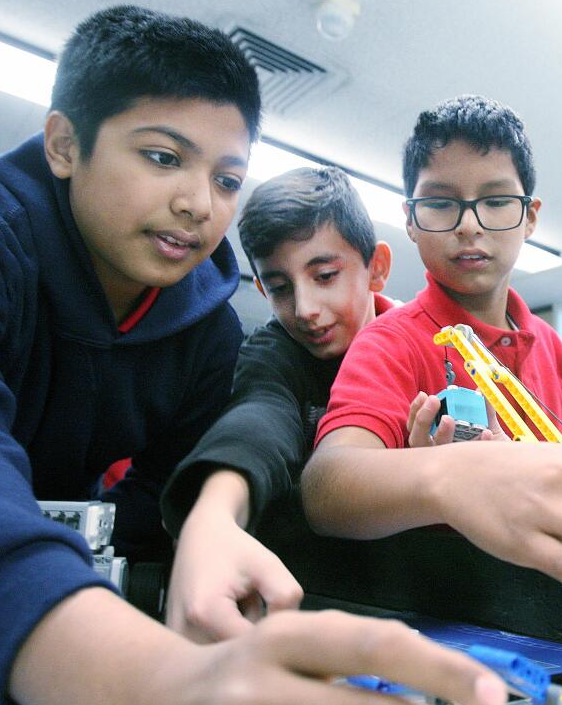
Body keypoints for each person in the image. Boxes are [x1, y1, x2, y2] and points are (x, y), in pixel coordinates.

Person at [0, 6, 507, 705]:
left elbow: (170, 487)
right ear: (66, 145)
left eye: (227, 180)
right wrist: (142, 679)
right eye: (163, 157)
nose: (197, 203)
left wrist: (198, 527)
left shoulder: (204, 331)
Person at [304, 95, 562, 610]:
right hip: (443, 611)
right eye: (440, 203)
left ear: (530, 217)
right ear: (410, 220)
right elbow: (326, 489)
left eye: (496, 200)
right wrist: (449, 477)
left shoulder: (549, 342)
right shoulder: (390, 340)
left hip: (544, 604)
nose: (469, 224)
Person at [160, 166, 395, 643]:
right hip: (304, 598)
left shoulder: (429, 346)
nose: (305, 308)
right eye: (281, 288)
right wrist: (213, 512)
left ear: (376, 268)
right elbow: (259, 418)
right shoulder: (273, 356)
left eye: (325, 275)